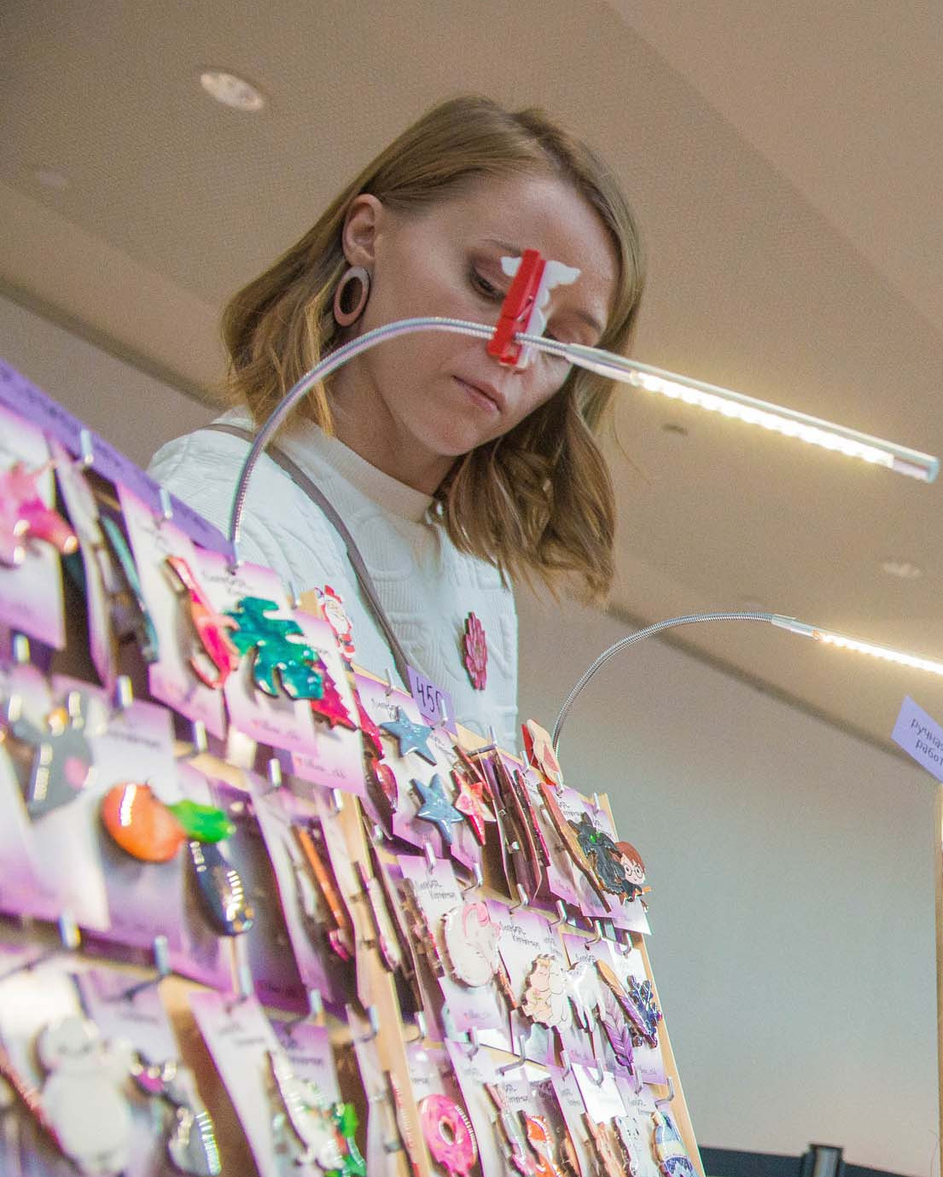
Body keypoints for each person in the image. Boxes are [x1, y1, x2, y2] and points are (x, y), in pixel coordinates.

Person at [151, 96, 645, 743]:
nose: (514, 354)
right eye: (492, 287)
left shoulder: (478, 578)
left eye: (559, 342)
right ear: (367, 234)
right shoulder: (220, 503)